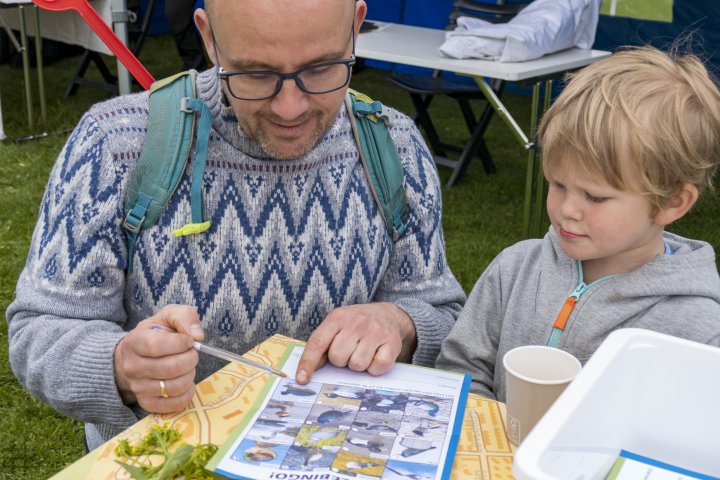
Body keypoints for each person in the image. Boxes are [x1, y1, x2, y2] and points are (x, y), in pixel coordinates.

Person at [6, 0, 465, 451]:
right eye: (256, 73)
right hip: (163, 461)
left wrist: (401, 322)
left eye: (322, 68)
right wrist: (121, 366)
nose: (290, 107)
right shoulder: (118, 142)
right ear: (208, 37)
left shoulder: (394, 145)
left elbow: (447, 316)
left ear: (355, 28)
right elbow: (41, 331)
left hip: (331, 452)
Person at [436, 46, 720, 400]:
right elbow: (461, 368)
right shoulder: (515, 269)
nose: (567, 209)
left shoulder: (698, 329)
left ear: (672, 203)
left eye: (595, 197)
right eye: (558, 184)